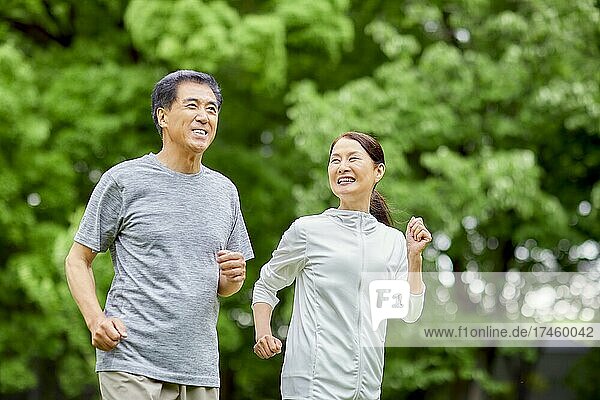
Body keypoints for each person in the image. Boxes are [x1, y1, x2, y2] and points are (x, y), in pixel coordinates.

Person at [65, 70, 253, 400]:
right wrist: (96, 320)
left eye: (212, 109)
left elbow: (225, 286)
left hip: (199, 366)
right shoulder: (125, 181)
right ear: (162, 116)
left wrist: (233, 277)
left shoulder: (225, 191)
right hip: (131, 358)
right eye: (192, 105)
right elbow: (78, 260)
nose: (203, 116)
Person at [252, 131, 431, 400]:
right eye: (335, 160)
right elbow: (266, 285)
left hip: (367, 389)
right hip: (312, 387)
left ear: (378, 171)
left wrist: (414, 258)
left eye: (353, 159)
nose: (342, 167)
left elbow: (410, 311)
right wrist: (263, 332)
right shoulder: (308, 231)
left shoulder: (392, 241)